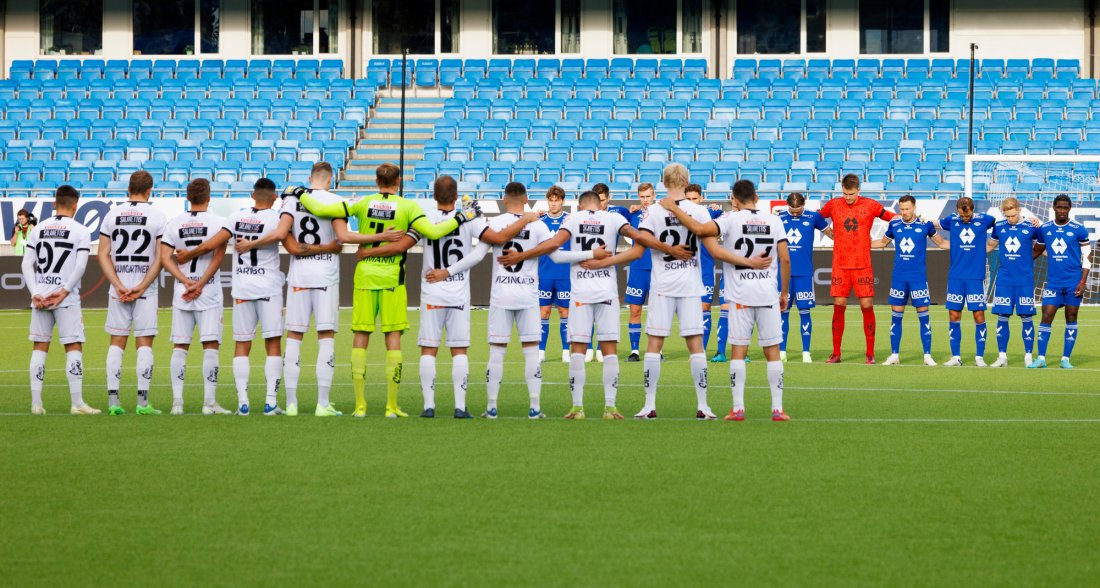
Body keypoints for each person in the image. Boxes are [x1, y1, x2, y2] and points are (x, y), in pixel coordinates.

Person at [294, 163, 482, 418]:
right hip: (393, 277)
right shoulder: (408, 207)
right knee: (392, 338)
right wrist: (462, 217)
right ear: (399, 181)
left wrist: (297, 192)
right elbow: (435, 231)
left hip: (364, 277)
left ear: (376, 181)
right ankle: (391, 407)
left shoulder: (363, 203)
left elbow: (321, 209)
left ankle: (360, 406)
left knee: (360, 336)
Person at [357, 176, 539, 418]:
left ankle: (429, 406)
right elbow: (498, 239)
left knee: (428, 350)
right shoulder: (470, 220)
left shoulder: (424, 220)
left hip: (432, 291)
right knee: (459, 350)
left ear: (433, 197)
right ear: (456, 197)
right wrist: (525, 219)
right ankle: (460, 407)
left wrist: (369, 252)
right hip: (458, 293)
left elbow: (400, 247)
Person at [500, 190, 675, 420]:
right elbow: (638, 242)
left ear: (581, 205)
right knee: (609, 350)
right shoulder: (614, 219)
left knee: (578, 350)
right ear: (599, 204)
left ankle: (577, 407)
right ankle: (610, 408)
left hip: (580, 293)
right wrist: (669, 248)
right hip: (606, 293)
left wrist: (523, 255)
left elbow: (553, 246)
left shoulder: (572, 219)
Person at [250, 163, 403, 416]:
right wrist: (378, 237)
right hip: (325, 275)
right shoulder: (335, 201)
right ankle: (322, 404)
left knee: (295, 338)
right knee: (325, 337)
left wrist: (300, 248)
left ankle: (291, 404)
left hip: (299, 274)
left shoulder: (290, 200)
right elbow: (344, 238)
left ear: (310, 178)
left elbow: (285, 238)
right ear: (330, 180)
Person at [176, 178, 286, 416]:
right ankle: (270, 402)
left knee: (242, 345)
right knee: (273, 344)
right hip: (269, 288)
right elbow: (285, 238)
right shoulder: (277, 218)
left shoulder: (236, 217)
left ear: (252, 195)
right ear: (275, 197)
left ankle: (243, 404)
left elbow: (211, 244)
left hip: (242, 289)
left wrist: (188, 254)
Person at [639, 163, 723, 420]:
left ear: (663, 183)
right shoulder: (698, 210)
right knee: (695, 345)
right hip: (689, 284)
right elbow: (712, 245)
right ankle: (703, 405)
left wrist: (666, 247)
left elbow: (642, 239)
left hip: (662, 285)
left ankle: (649, 405)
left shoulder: (653, 210)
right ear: (687, 183)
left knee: (654, 344)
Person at [702, 180, 790, 421]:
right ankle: (777, 409)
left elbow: (706, 233)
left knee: (738, 351)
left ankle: (738, 408)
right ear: (757, 198)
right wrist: (784, 293)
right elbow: (785, 260)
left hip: (740, 295)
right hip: (767, 294)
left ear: (734, 199)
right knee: (772, 351)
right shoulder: (774, 220)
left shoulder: (730, 219)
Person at [23, 185, 99, 415]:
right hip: (65, 299)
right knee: (73, 346)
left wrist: (35, 292)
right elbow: (81, 265)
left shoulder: (39, 229)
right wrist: (65, 290)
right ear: (75, 205)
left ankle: (36, 404)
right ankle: (77, 403)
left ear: (54, 203)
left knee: (39, 347)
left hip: (41, 297)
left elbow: (26, 263)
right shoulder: (80, 230)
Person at [98, 171, 168, 415]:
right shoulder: (158, 216)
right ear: (150, 191)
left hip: (118, 289)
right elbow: (162, 257)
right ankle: (142, 402)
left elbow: (102, 254)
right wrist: (143, 285)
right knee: (144, 344)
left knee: (117, 343)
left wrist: (117, 284)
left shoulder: (112, 214)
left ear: (128, 189)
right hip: (145, 290)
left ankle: (113, 402)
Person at [159, 179, 228, 415]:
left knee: (180, 345)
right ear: (209, 197)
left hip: (183, 292)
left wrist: (185, 280)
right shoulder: (219, 223)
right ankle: (209, 403)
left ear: (187, 197)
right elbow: (218, 258)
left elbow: (165, 257)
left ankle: (177, 402)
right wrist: (199, 282)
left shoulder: (174, 223)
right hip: (208, 291)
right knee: (210, 344)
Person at [818, 174, 896, 364]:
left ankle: (870, 353)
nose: (848, 197)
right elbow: (815, 219)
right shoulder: (834, 204)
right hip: (840, 265)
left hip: (862, 265)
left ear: (858, 190)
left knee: (867, 306)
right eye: (845, 193)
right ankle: (836, 353)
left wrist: (909, 219)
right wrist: (829, 233)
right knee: (839, 306)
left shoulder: (870, 205)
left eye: (851, 194)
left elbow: (893, 219)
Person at [871, 194, 949, 366]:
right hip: (899, 277)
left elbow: (942, 243)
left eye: (907, 209)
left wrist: (969, 247)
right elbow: (882, 243)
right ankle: (894, 355)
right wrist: (861, 243)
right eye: (902, 209)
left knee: (924, 317)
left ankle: (927, 355)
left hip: (918, 278)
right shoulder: (895, 224)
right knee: (896, 317)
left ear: (914, 208)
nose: (904, 212)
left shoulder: (925, 226)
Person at [1029, 194, 1092, 369]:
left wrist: (1083, 281)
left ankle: (1065, 359)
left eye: (1065, 207)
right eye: (1059, 207)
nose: (1062, 210)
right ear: (1054, 208)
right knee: (1046, 316)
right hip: (1054, 283)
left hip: (1073, 281)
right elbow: (1036, 251)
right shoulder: (1045, 229)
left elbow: (1087, 257)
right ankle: (1041, 358)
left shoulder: (1079, 229)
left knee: (1071, 317)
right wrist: (1018, 264)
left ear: (1069, 209)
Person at [934, 197, 996, 367]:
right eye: (962, 214)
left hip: (975, 277)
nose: (965, 218)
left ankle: (979, 357)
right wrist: (919, 220)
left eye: (967, 214)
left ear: (972, 209)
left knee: (979, 315)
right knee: (954, 315)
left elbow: (1002, 225)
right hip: (956, 277)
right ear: (958, 210)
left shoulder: (985, 220)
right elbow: (934, 225)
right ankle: (956, 357)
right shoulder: (951, 220)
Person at [986, 197, 1041, 368]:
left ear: (1019, 210)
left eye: (1012, 215)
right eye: (1007, 216)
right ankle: (1002, 357)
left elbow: (1042, 246)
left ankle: (1028, 356)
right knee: (1002, 317)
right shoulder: (999, 227)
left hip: (1024, 280)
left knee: (1026, 317)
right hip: (1004, 279)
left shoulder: (1032, 227)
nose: (1010, 219)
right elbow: (990, 246)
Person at [777, 192, 829, 363]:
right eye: (792, 209)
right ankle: (782, 352)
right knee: (782, 312)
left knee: (804, 312)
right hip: (783, 274)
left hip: (804, 273)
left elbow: (830, 233)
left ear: (804, 205)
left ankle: (806, 352)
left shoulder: (814, 217)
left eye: (798, 209)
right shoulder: (779, 217)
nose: (795, 213)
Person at [684, 183, 726, 360]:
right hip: (685, 269)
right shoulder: (677, 215)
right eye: (688, 199)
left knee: (705, 307)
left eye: (695, 198)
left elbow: (729, 217)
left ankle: (701, 350)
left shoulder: (712, 213)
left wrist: (718, 209)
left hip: (705, 269)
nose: (692, 202)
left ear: (701, 198)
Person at [537, 186, 571, 363]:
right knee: (544, 312)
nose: (554, 204)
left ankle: (566, 351)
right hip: (545, 273)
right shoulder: (539, 220)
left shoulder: (570, 220)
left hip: (565, 274)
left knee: (565, 312)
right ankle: (541, 351)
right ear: (548, 201)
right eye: (551, 200)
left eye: (557, 200)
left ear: (562, 201)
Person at [624, 183, 656, 362]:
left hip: (657, 269)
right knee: (635, 310)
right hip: (637, 268)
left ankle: (656, 351)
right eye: (642, 197)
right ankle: (634, 350)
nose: (645, 200)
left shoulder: (661, 214)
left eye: (648, 196)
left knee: (657, 312)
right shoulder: (633, 215)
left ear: (654, 196)